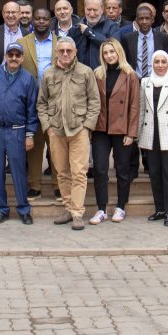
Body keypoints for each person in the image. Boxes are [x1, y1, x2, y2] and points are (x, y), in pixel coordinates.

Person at [36, 37, 100, 230]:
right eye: (61, 50)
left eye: (68, 51)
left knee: (79, 172)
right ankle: (67, 207)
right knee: (62, 172)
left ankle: (77, 212)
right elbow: (42, 103)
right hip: (56, 130)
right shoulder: (48, 74)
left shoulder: (85, 72)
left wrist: (88, 127)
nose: (65, 54)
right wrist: (47, 127)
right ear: (56, 52)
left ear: (75, 52)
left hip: (79, 129)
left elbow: (94, 102)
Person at [0, 42, 39, 225]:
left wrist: (30, 134)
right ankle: (2, 209)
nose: (13, 58)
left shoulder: (28, 79)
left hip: (16, 131)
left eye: (17, 55)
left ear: (22, 58)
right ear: (5, 56)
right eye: (10, 54)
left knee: (18, 171)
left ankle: (23, 209)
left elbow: (32, 109)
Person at [119, 3, 168, 177]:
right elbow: (124, 63)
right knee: (133, 121)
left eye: (147, 18)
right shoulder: (128, 38)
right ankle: (133, 166)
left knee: (152, 121)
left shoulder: (162, 38)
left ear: (152, 19)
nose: (143, 22)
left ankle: (150, 164)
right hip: (134, 83)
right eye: (140, 18)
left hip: (155, 83)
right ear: (136, 20)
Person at [90, 39, 139, 224]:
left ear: (119, 52)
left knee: (122, 170)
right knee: (100, 169)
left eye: (112, 52)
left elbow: (134, 106)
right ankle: (101, 208)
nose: (109, 55)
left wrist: (131, 133)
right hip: (101, 128)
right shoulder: (97, 74)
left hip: (122, 129)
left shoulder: (130, 75)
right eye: (105, 53)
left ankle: (120, 206)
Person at [137, 50, 168, 227]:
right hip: (151, 134)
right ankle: (160, 209)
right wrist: (138, 133)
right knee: (154, 173)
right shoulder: (145, 82)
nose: (160, 65)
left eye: (163, 62)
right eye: (156, 62)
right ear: (152, 63)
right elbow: (142, 109)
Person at [18, 8, 58, 201]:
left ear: (50, 21)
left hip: (56, 102)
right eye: (38, 18)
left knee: (57, 147)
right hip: (31, 102)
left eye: (45, 19)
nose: (41, 21)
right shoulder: (21, 43)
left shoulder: (62, 43)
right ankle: (34, 185)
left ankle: (59, 185)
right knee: (34, 148)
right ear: (32, 20)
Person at [73, 0, 120, 69]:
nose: (91, 13)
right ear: (84, 9)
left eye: (95, 10)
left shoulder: (112, 26)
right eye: (89, 9)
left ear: (102, 9)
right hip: (80, 76)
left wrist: (89, 32)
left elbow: (114, 48)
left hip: (104, 75)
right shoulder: (76, 27)